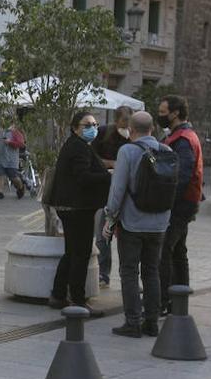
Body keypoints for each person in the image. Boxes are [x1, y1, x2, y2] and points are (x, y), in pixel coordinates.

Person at [103, 111, 172, 338]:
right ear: (152, 129)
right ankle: (151, 322)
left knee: (129, 272)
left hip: (132, 223)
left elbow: (118, 189)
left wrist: (110, 217)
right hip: (159, 223)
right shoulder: (167, 151)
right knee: (152, 271)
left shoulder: (128, 151)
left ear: (131, 131)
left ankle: (132, 322)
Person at [47, 112, 111, 314]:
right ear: (75, 128)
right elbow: (83, 177)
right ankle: (77, 300)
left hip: (71, 206)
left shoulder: (77, 145)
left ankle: (58, 294)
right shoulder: (79, 147)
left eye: (94, 124)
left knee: (71, 252)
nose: (92, 127)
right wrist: (107, 176)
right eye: (87, 124)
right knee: (80, 255)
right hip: (77, 208)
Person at [156, 95, 203, 316]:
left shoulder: (183, 139)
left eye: (163, 112)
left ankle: (164, 300)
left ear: (175, 113)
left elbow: (181, 176)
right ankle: (178, 299)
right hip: (186, 202)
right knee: (178, 251)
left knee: (164, 250)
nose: (160, 115)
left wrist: (166, 202)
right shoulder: (181, 136)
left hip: (180, 204)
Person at [91, 106, 131, 287]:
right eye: (124, 121)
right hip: (104, 188)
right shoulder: (104, 133)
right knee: (102, 234)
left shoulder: (133, 137)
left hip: (126, 192)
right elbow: (93, 156)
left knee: (126, 237)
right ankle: (103, 273)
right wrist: (112, 163)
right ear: (117, 120)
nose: (127, 125)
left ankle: (128, 276)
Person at [0, 121, 27, 199]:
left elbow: (21, 144)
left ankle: (21, 187)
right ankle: (0, 193)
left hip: (11, 159)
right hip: (1, 157)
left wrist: (10, 142)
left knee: (13, 177)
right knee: (0, 175)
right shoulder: (2, 131)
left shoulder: (15, 132)